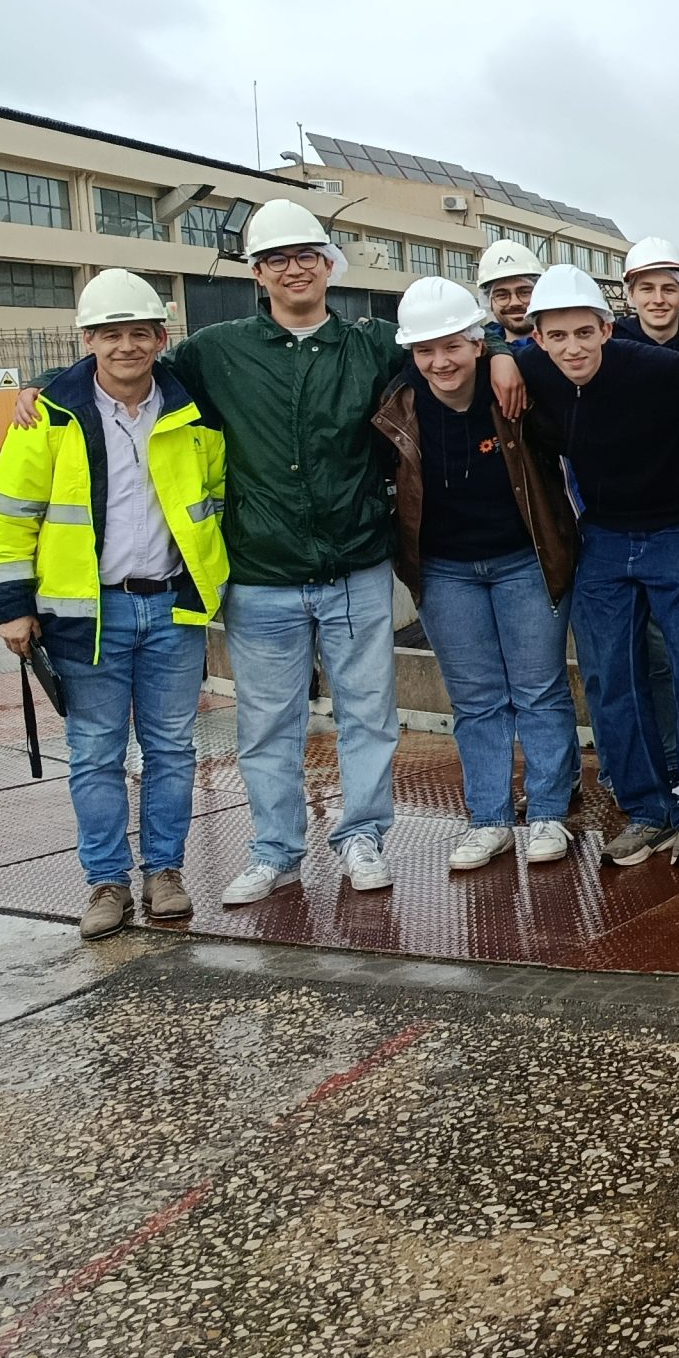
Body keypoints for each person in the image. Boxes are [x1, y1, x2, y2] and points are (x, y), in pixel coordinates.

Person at [158, 201, 522, 904]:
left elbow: (447, 341)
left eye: (306, 255)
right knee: (267, 725)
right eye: (276, 259)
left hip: (355, 565)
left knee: (367, 718)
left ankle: (362, 838)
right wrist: (42, 390)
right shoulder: (216, 351)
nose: (294, 268)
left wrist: (503, 352)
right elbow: (135, 374)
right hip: (262, 574)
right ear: (257, 274)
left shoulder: (371, 345)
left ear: (328, 264)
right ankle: (274, 850)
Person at [0, 270, 227, 939]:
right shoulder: (48, 418)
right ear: (88, 339)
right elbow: (6, 518)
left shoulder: (192, 412)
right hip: (84, 617)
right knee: (95, 753)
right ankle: (107, 883)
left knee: (173, 749)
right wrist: (11, 604)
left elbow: (213, 503)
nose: (126, 346)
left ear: (160, 337)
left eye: (138, 333)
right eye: (110, 334)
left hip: (171, 608)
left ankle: (164, 872)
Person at [515, 264, 679, 867]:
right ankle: (645, 809)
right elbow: (449, 362)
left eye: (584, 333)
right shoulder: (531, 367)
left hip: (674, 531)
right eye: (557, 337)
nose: (572, 348)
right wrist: (501, 358)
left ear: (607, 328)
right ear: (538, 339)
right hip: (603, 537)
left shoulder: (659, 370)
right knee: (611, 675)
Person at [373, 277, 582, 873]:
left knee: (539, 689)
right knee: (476, 699)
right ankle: (488, 819)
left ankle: (546, 812)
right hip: (444, 571)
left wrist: (506, 358)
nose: (440, 362)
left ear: (475, 341)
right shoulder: (399, 401)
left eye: (453, 346)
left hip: (525, 560)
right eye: (425, 350)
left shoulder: (515, 389)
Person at [615, 235, 679, 350]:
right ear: (631, 294)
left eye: (668, 290)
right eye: (647, 289)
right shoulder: (607, 345)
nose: (658, 300)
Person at [475, 238, 545, 345]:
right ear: (489, 303)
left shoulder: (568, 353)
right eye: (502, 295)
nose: (514, 303)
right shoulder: (480, 353)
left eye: (524, 292)